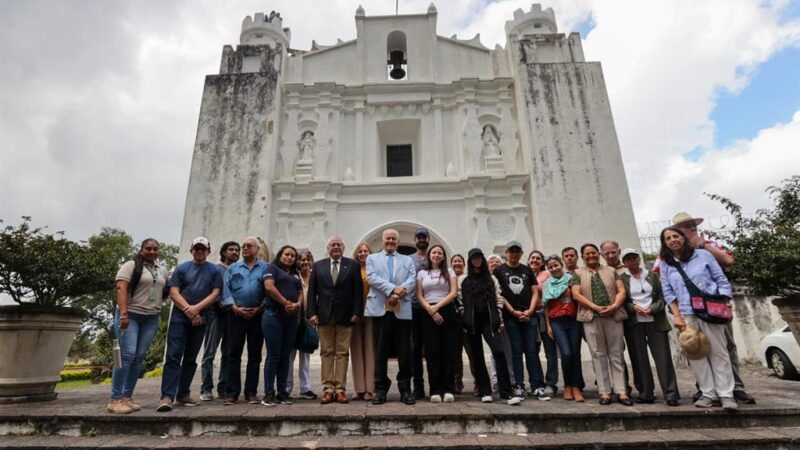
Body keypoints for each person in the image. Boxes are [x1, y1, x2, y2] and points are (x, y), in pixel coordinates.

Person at [672, 212, 753, 405]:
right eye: (686, 226)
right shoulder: (670, 256)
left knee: (725, 347)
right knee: (696, 346)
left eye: (693, 225)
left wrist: (702, 245)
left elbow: (728, 261)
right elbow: (665, 282)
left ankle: (734, 389)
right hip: (688, 309)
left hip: (715, 306)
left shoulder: (708, 247)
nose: (692, 228)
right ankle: (706, 390)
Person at [658, 226, 738, 410]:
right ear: (665, 243)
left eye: (675, 236)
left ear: (684, 238)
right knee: (695, 352)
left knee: (719, 352)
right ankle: (708, 393)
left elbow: (721, 279)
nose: (672, 240)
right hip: (687, 312)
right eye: (668, 238)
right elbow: (668, 291)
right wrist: (677, 316)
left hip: (711, 308)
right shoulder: (666, 264)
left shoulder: (703, 256)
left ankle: (726, 394)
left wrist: (726, 303)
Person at [157, 237, 223, 412]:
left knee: (191, 357)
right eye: (197, 248)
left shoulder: (214, 271)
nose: (199, 251)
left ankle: (183, 393)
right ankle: (167, 396)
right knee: (173, 356)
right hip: (180, 318)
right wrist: (189, 309)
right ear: (191, 250)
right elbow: (173, 292)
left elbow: (216, 293)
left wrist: (197, 309)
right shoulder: (182, 268)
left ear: (209, 251)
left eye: (203, 249)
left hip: (201, 318)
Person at [107, 239, 168, 414]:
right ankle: (115, 399)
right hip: (131, 316)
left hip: (150, 318)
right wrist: (124, 314)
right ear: (141, 250)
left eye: (155, 249)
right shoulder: (131, 265)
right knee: (127, 354)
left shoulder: (161, 269)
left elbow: (164, 290)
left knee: (139, 356)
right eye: (148, 248)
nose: (152, 252)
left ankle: (127, 397)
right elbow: (121, 288)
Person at [570, 243, 632, 406]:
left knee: (616, 353)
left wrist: (614, 306)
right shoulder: (577, 273)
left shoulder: (611, 271)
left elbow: (621, 291)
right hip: (591, 317)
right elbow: (576, 294)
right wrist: (595, 307)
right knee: (598, 354)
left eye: (593, 253)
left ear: (598, 254)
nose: (591, 256)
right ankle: (604, 391)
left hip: (613, 316)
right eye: (587, 254)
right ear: (583, 257)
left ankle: (621, 391)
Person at [619, 248, 680, 406]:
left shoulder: (652, 275)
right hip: (635, 323)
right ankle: (646, 393)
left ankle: (671, 393)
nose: (632, 261)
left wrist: (652, 309)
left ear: (638, 259)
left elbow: (662, 295)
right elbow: (622, 299)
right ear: (624, 263)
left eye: (634, 258)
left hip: (655, 321)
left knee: (663, 357)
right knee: (639, 359)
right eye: (628, 259)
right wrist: (634, 308)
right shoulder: (622, 278)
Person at [308, 236, 363, 405]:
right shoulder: (318, 266)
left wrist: (356, 312)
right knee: (326, 352)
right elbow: (312, 293)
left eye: (339, 244)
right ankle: (327, 389)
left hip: (346, 316)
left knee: (342, 353)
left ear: (344, 248)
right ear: (328, 247)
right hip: (324, 315)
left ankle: (340, 390)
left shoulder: (352, 265)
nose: (336, 247)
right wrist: (312, 313)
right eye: (333, 245)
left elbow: (358, 292)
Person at [365, 229, 417, 405]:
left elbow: (412, 278)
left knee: (405, 351)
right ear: (382, 240)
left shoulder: (407, 260)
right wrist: (393, 290)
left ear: (398, 241)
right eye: (387, 238)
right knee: (380, 351)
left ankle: (405, 389)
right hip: (380, 309)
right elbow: (372, 278)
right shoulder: (372, 259)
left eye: (394, 239)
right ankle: (380, 389)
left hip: (402, 310)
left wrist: (399, 294)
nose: (390, 241)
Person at [459, 248, 513, 403]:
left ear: (482, 260)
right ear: (470, 261)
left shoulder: (491, 279)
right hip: (473, 324)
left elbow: (499, 297)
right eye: (473, 258)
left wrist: (498, 313)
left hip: (490, 321)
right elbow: (461, 300)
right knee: (477, 356)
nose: (476, 261)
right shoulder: (465, 280)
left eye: (479, 258)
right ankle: (485, 391)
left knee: (499, 352)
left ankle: (506, 391)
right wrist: (465, 314)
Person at [494, 242, 543, 405]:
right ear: (506, 253)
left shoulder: (527, 270)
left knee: (531, 351)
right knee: (516, 351)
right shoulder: (499, 270)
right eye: (511, 251)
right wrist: (513, 311)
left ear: (521, 253)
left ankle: (536, 386)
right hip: (511, 317)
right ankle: (519, 385)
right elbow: (499, 293)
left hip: (529, 315)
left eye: (517, 251)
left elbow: (535, 291)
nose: (514, 254)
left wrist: (530, 310)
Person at [221, 237, 267, 405]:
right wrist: (235, 308)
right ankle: (232, 392)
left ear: (257, 249)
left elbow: (269, 290)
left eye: (249, 246)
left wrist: (260, 308)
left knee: (255, 355)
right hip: (236, 315)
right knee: (233, 354)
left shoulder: (265, 268)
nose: (245, 248)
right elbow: (226, 290)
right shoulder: (233, 268)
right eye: (244, 246)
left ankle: (251, 392)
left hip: (257, 315)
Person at [261, 245, 304, 406]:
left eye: (293, 256)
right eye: (286, 254)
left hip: (291, 317)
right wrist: (286, 302)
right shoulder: (271, 268)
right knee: (273, 355)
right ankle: (268, 393)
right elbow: (269, 287)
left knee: (285, 355)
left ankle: (282, 392)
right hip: (274, 315)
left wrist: (297, 305)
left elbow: (300, 292)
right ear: (280, 255)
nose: (289, 257)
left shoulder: (295, 274)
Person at [416, 245, 459, 403]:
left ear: (443, 256)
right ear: (429, 255)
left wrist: (437, 307)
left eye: (439, 253)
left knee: (448, 351)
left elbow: (453, 292)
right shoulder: (422, 273)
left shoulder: (449, 271)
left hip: (447, 310)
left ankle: (448, 389)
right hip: (428, 312)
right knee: (432, 351)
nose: (436, 255)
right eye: (433, 252)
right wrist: (430, 309)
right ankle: (434, 389)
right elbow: (419, 294)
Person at [200, 241, 239, 402]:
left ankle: (223, 387)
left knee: (228, 354)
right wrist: (219, 304)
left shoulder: (237, 269)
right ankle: (206, 388)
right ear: (224, 252)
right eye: (231, 249)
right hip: (216, 314)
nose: (234, 252)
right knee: (210, 352)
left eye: (237, 250)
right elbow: (210, 291)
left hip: (232, 314)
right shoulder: (216, 269)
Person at [542, 255, 584, 402]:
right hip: (557, 322)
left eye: (556, 265)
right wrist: (548, 326)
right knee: (566, 354)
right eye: (551, 267)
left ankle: (576, 387)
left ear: (562, 265)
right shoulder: (547, 284)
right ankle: (567, 386)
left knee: (575, 354)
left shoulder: (572, 280)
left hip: (573, 321)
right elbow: (546, 306)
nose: (554, 269)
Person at [287, 249, 316, 400]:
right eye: (302, 260)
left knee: (305, 355)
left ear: (312, 262)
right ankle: (286, 387)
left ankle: (305, 389)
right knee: (289, 355)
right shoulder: (293, 277)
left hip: (309, 320)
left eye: (308, 260)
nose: (305, 262)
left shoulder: (314, 278)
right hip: (293, 320)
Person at [529, 250, 558, 397]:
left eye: (538, 258)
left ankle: (551, 383)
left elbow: (550, 294)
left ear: (542, 262)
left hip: (546, 315)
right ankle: (537, 382)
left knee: (550, 351)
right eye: (532, 258)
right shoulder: (525, 274)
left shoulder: (546, 275)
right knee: (532, 351)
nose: (535, 260)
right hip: (531, 317)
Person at [350, 242, 375, 401]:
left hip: (372, 311)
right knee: (356, 349)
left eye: (366, 251)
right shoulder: (352, 270)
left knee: (370, 348)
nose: (363, 253)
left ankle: (370, 388)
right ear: (356, 254)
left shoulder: (375, 269)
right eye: (360, 251)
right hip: (355, 313)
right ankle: (359, 388)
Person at [450, 254, 476, 395]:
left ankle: (478, 381)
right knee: (455, 353)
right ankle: (456, 382)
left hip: (468, 319)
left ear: (464, 264)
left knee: (472, 351)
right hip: (453, 320)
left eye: (460, 261)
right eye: (454, 261)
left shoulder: (469, 278)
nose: (457, 263)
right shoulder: (448, 278)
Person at [409, 227, 430, 399]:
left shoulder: (435, 258)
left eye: (424, 237)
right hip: (414, 308)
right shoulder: (409, 260)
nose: (421, 240)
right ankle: (418, 386)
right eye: (419, 237)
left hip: (432, 308)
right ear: (415, 240)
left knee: (432, 348)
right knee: (415, 348)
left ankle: (436, 384)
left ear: (428, 240)